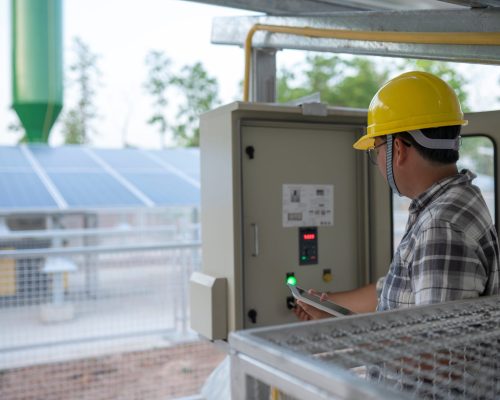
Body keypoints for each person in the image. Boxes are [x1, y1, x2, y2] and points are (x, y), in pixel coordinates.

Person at [294, 71, 500, 321]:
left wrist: (336, 326)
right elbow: (394, 290)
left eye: (376, 149)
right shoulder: (453, 201)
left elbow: (436, 350)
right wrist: (327, 304)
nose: (378, 161)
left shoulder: (440, 226)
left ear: (398, 149)